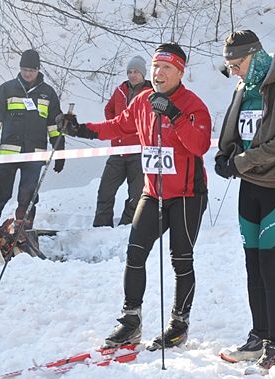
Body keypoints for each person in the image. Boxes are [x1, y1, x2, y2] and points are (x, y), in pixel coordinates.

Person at [65, 43, 212, 350]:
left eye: (166, 68)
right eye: (155, 67)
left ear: (180, 72)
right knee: (134, 253)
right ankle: (130, 321)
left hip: (187, 196)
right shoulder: (143, 99)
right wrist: (81, 129)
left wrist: (174, 115)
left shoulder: (193, 105)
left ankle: (178, 324)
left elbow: (199, 146)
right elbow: (118, 125)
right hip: (153, 193)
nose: (158, 73)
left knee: (181, 260)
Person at [214, 30, 275, 372]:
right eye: (230, 68)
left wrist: (244, 161)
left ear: (254, 55)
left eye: (237, 65)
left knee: (270, 264)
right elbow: (239, 134)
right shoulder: (244, 88)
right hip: (250, 185)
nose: (234, 73)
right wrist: (226, 156)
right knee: (252, 263)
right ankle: (258, 337)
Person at [0, 49, 64, 231]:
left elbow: (54, 124)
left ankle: (23, 228)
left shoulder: (47, 93)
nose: (27, 73)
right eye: (24, 69)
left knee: (28, 194)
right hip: (9, 152)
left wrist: (60, 152)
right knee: (1, 192)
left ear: (38, 69)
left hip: (34, 154)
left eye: (31, 70)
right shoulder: (7, 89)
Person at [93, 55, 151, 227]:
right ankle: (101, 227)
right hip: (117, 150)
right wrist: (116, 127)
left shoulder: (151, 92)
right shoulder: (120, 90)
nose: (133, 75)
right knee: (105, 191)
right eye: (130, 72)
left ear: (143, 73)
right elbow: (108, 109)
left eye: (136, 72)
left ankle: (127, 226)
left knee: (136, 194)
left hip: (138, 152)